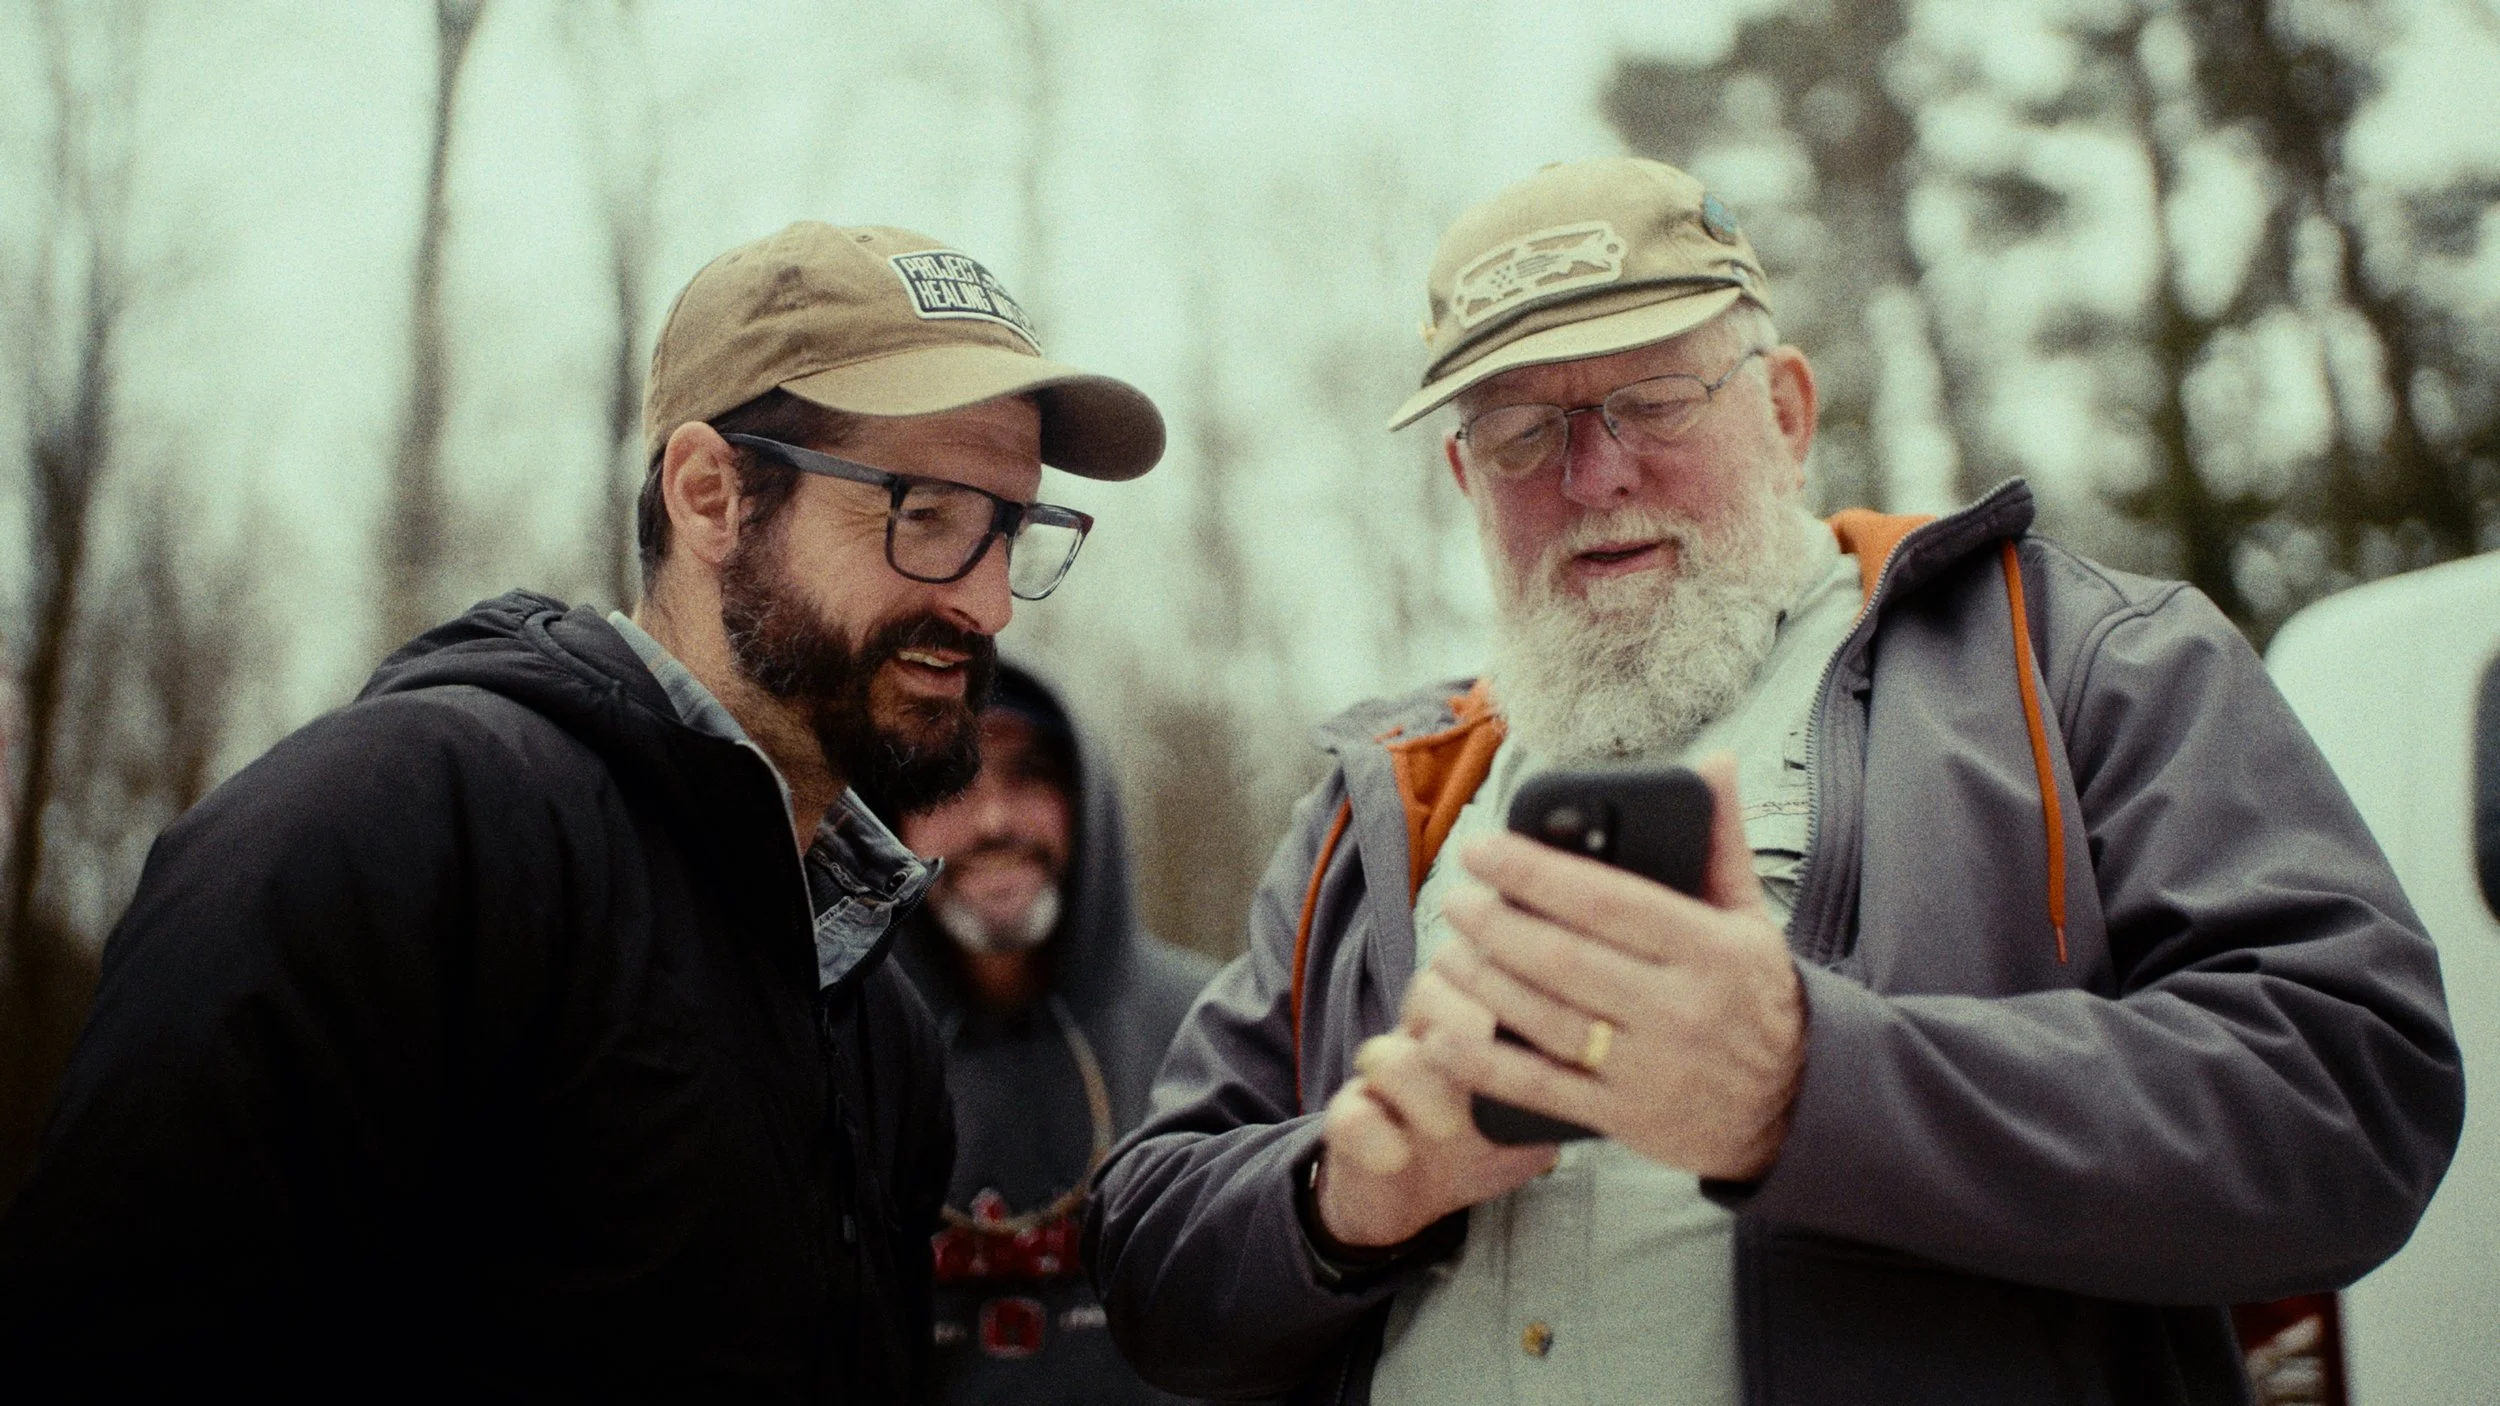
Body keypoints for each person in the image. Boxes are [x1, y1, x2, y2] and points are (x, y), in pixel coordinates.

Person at [1085, 157, 2464, 1405]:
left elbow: (2353, 1099)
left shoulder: (2082, 660)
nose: (1594, 471)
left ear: (1787, 410)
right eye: (1522, 435)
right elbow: (1143, 1255)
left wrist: (1814, 1082)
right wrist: (1348, 1190)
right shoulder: (1384, 789)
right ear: (1464, 474)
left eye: (1652, 399)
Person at [0, 220, 1165, 1402]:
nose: (986, 603)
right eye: (925, 514)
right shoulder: (388, 835)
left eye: (1011, 527)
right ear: (712, 495)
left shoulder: (874, 1017)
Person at [890, 661, 1215, 1405]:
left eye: (1029, 775)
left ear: (1085, 800)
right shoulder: (831, 1045)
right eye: (949, 780)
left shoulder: (1215, 1028)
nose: (994, 820)